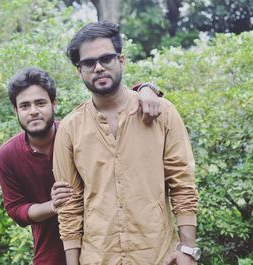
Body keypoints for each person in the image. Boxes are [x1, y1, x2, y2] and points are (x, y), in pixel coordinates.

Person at [53, 21, 200, 265]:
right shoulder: (70, 129)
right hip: (98, 258)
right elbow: (69, 205)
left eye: (106, 59)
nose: (99, 67)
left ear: (121, 61)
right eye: (89, 63)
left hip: (159, 256)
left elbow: (182, 183)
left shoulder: (162, 113)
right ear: (79, 71)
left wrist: (188, 249)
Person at [0, 67, 163, 265]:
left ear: (54, 104)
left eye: (40, 103)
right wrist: (53, 205)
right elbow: (16, 209)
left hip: (106, 248)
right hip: (51, 254)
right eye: (24, 106)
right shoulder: (8, 155)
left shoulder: (76, 134)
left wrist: (146, 88)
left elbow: (112, 107)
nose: (33, 111)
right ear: (16, 110)